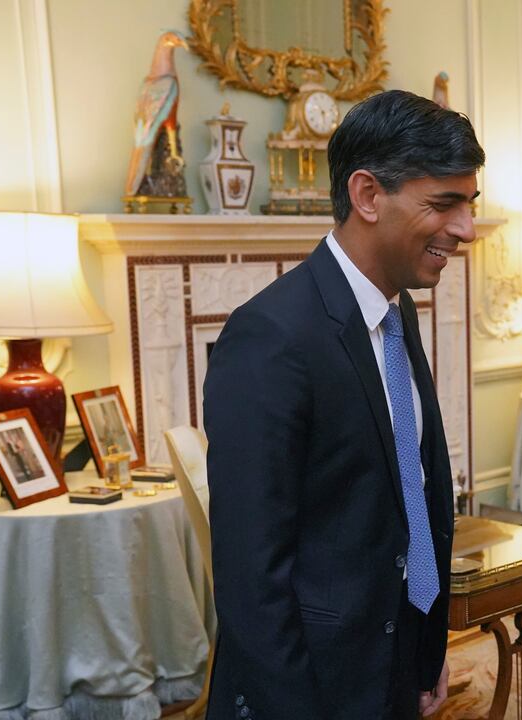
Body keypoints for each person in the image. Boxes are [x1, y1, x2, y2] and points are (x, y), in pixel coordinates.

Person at [203, 90, 484, 719]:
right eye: (444, 204)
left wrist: (424, 647)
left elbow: (405, 497)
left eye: (470, 204)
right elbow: (252, 580)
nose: (466, 229)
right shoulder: (269, 339)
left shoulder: (396, 308)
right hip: (308, 690)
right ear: (366, 195)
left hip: (388, 660)